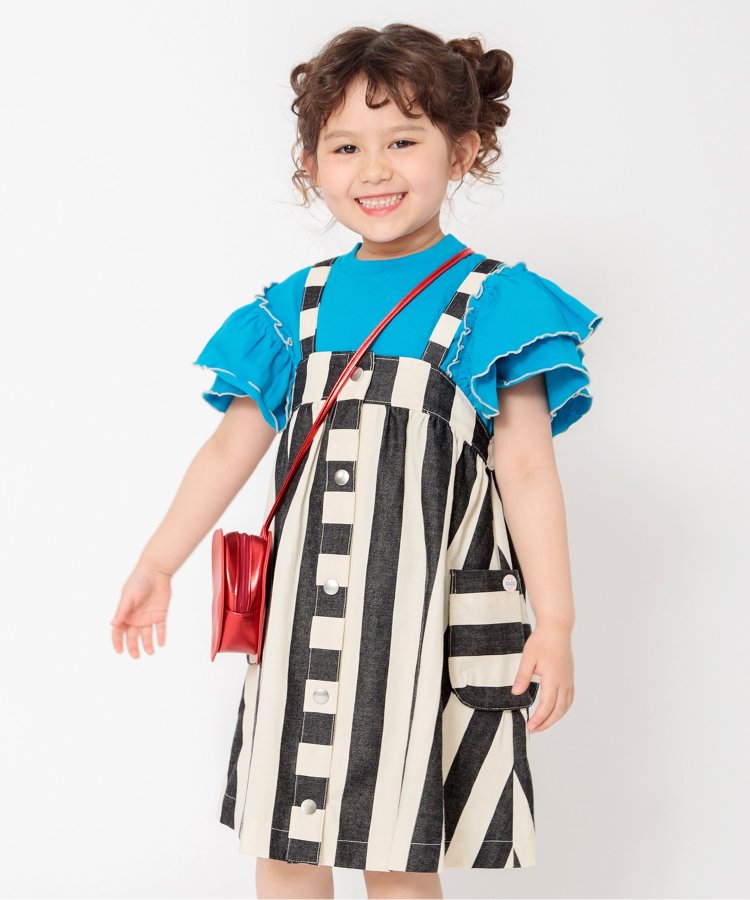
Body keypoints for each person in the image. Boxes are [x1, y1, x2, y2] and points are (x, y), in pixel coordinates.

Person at [110, 22, 604, 900]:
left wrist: (556, 623)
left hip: (424, 626)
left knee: (398, 851)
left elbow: (528, 471)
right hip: (302, 623)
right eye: (345, 147)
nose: (374, 170)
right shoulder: (291, 309)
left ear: (463, 150)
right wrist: (158, 563)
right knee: (286, 843)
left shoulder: (497, 304)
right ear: (311, 165)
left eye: (402, 141)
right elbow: (229, 448)